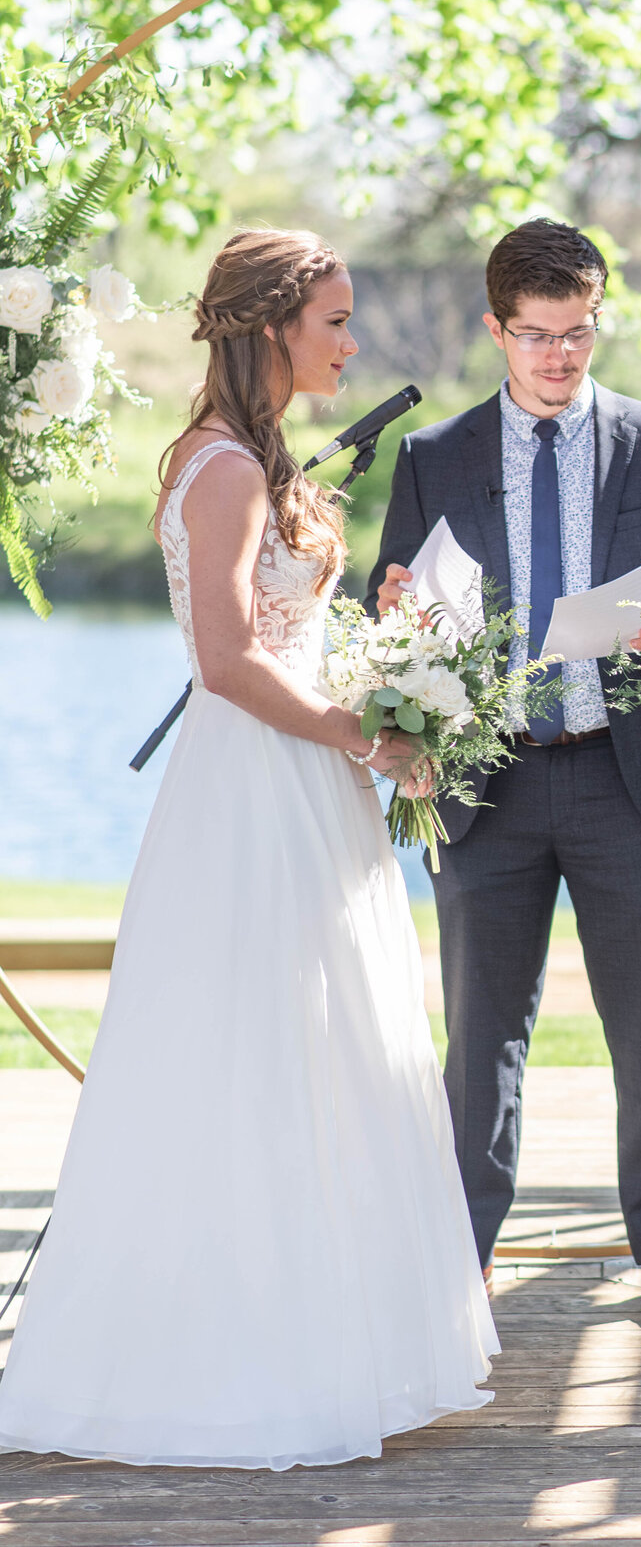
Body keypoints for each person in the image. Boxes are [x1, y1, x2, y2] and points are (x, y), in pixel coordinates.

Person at [0, 229, 497, 1469]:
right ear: (272, 327)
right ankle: (227, 1356)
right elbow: (225, 662)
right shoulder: (220, 468)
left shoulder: (267, 460)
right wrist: (358, 733)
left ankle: (333, 1332)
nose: (352, 340)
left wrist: (388, 657)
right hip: (256, 790)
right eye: (334, 319)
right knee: (249, 1053)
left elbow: (285, 627)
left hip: (310, 780)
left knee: (328, 1052)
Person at [369, 218, 641, 1323]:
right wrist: (396, 618)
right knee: (479, 1030)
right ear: (496, 328)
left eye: (578, 333)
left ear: (598, 319)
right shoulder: (433, 457)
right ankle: (462, 1249)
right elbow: (383, 611)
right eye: (537, 336)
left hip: (629, 775)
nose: (561, 357)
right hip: (487, 782)